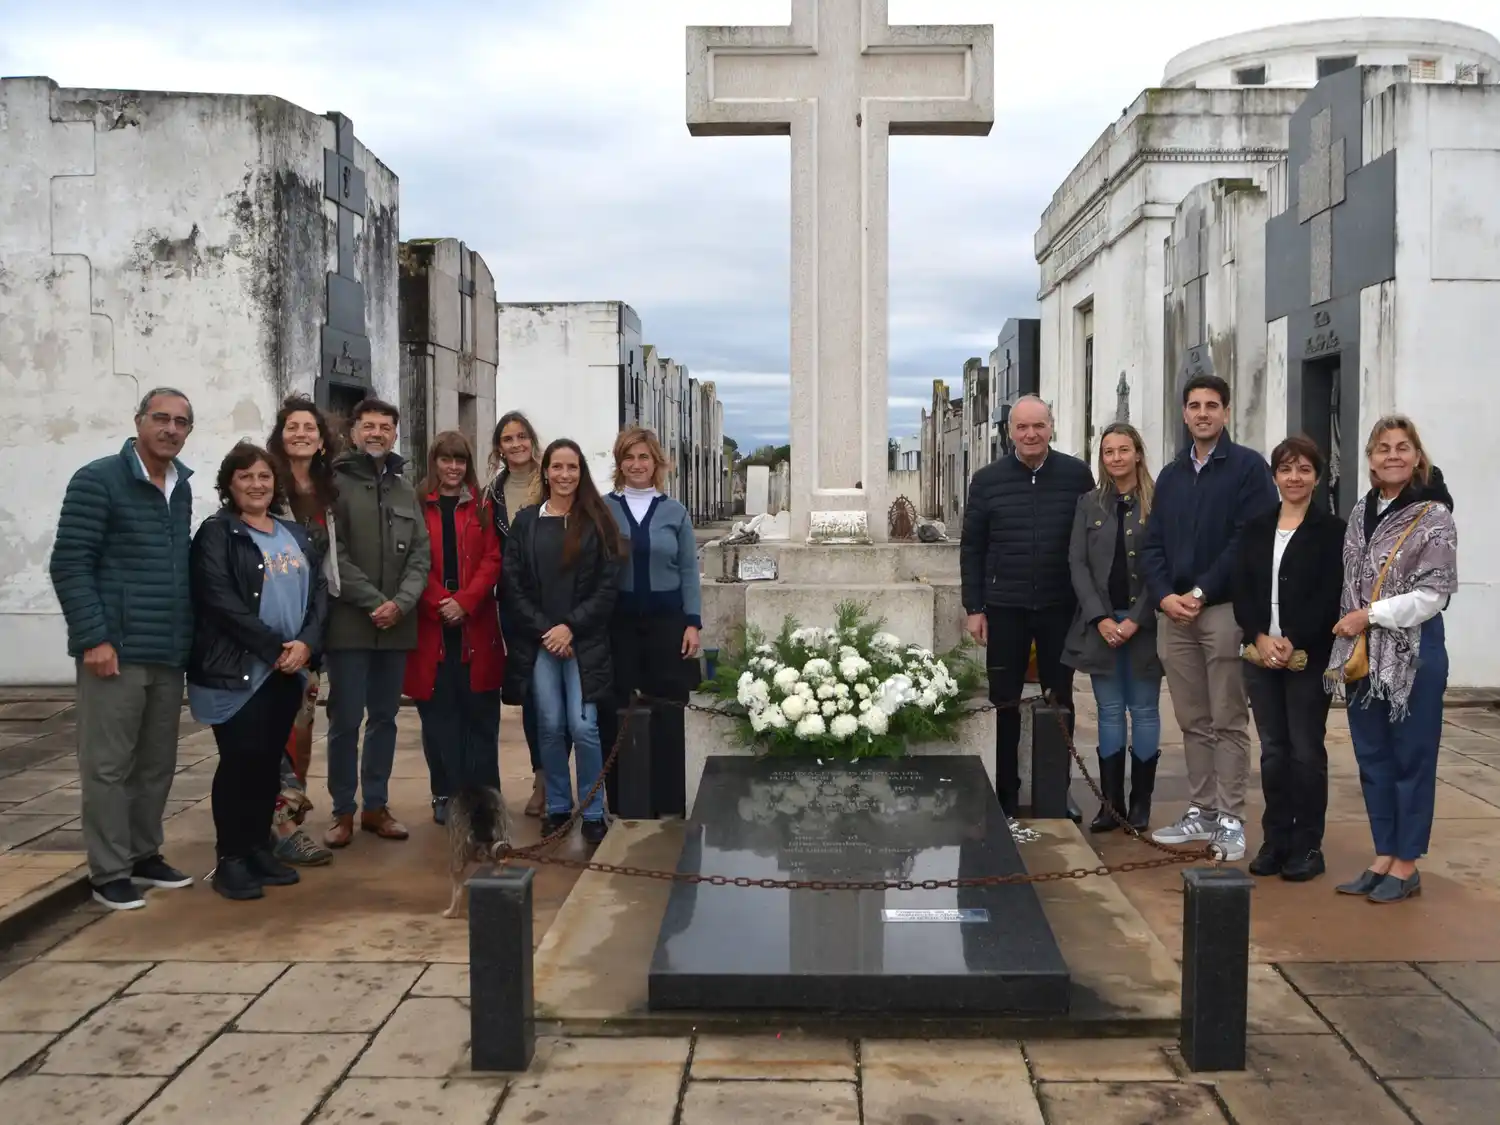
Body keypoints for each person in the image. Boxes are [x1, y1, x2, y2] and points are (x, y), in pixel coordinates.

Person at [48, 388, 198, 911]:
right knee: (108, 766)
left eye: (181, 422)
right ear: (139, 421)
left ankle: (143, 854)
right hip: (115, 651)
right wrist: (93, 638)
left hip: (167, 650)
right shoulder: (98, 480)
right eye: (161, 418)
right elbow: (70, 564)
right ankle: (109, 871)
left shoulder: (180, 487)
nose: (171, 429)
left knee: (156, 765)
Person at [1142, 374, 1277, 862]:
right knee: (1192, 720)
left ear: (1226, 412)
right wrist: (1165, 596)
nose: (1202, 413)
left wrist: (1200, 592)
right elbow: (1153, 544)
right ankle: (1200, 809)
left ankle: (1231, 819)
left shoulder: (1248, 469)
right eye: (1195, 405)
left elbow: (1248, 541)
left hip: (1222, 612)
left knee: (1228, 720)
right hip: (1174, 616)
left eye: (1212, 405)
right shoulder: (1172, 475)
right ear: (1184, 413)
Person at [187, 443, 328, 900]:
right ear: (229, 484)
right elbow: (219, 599)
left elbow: (318, 592)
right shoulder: (217, 534)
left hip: (287, 670)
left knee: (268, 764)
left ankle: (257, 848)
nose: (256, 484)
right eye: (245, 476)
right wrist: (274, 648)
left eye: (264, 476)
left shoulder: (294, 533)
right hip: (237, 672)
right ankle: (231, 858)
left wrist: (306, 644)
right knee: (240, 765)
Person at [1326, 416, 1458, 903]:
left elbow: (1433, 596)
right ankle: (1383, 853)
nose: (1393, 455)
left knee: (1412, 758)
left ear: (1417, 456)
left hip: (1413, 654)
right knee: (1373, 758)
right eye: (1383, 448)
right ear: (1371, 460)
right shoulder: (1362, 509)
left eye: (1403, 447)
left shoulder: (1434, 515)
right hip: (1364, 657)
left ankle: (1406, 863)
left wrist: (1370, 615)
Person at [960, 395, 1093, 819]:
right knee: (1004, 702)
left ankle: (1057, 792)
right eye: (1022, 427)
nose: (1031, 434)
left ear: (1051, 427)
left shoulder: (1076, 475)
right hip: (1005, 607)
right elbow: (972, 547)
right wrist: (974, 607)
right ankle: (1005, 793)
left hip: (1059, 606)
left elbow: (1091, 539)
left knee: (1059, 701)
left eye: (1038, 426)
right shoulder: (987, 480)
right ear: (1010, 432)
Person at [1232, 435, 1346, 882]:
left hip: (1308, 658)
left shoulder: (1332, 531)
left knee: (1305, 752)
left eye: (1303, 469)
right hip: (1260, 655)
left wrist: (1294, 639)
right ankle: (1275, 840)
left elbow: (1331, 594)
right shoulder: (1256, 527)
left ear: (1317, 477)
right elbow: (1243, 588)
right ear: (1274, 476)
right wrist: (1259, 636)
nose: (1294, 477)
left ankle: (1307, 845)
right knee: (1273, 752)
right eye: (1285, 469)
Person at [502, 439, 625, 845]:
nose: (564, 475)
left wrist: (570, 627)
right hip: (541, 644)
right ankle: (557, 807)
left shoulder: (598, 522)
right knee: (551, 726)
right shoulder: (526, 523)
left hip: (584, 644)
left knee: (584, 727)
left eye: (572, 467)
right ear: (546, 472)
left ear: (581, 472)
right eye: (557, 467)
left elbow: (607, 588)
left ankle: (592, 810)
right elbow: (513, 585)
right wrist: (547, 631)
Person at [322, 397, 431, 847]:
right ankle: (342, 811)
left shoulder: (405, 490)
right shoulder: (334, 484)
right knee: (346, 720)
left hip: (396, 627)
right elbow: (334, 554)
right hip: (350, 624)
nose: (377, 434)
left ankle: (376, 806)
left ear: (394, 434)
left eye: (385, 427)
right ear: (353, 432)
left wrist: (401, 604)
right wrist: (374, 602)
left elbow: (421, 554)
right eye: (369, 426)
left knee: (384, 719)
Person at [1062, 423, 1163, 833]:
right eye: (1108, 451)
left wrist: (1137, 619)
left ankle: (1140, 805)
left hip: (1146, 623)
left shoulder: (1158, 502)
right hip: (1100, 623)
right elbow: (1077, 563)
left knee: (1144, 710)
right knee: (1108, 711)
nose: (1116, 458)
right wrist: (1100, 617)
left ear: (1138, 453)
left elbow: (1164, 563)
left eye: (1124, 449)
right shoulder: (1089, 503)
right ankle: (1111, 805)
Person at [403, 430, 504, 824]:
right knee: (439, 719)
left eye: (460, 460)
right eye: (446, 459)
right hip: (432, 627)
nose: (453, 467)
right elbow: (411, 560)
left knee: (480, 717)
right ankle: (445, 793)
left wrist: (465, 601)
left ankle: (486, 796)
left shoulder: (482, 505)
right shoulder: (416, 504)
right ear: (434, 462)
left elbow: (492, 559)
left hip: (475, 624)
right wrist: (438, 602)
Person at [601, 426, 703, 818]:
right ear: (619, 463)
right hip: (619, 625)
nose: (636, 464)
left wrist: (692, 622)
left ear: (656, 462)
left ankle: (669, 801)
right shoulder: (604, 509)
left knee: (668, 711)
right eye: (629, 457)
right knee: (618, 711)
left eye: (644, 457)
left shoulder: (675, 512)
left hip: (667, 625)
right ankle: (624, 802)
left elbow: (689, 571)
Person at [265, 395, 341, 866]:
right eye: (292, 427)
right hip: (271, 625)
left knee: (302, 729)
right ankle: (279, 825)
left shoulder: (327, 490)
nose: (301, 434)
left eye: (309, 427)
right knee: (272, 730)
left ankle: (288, 821)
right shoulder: (265, 484)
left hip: (312, 624)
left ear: (321, 439)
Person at [486, 411, 549, 818]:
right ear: (499, 447)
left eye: (522, 436)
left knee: (562, 698)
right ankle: (542, 778)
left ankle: (561, 778)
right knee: (532, 696)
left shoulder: (554, 480)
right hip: (514, 607)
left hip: (556, 604)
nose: (516, 444)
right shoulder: (492, 494)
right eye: (508, 438)